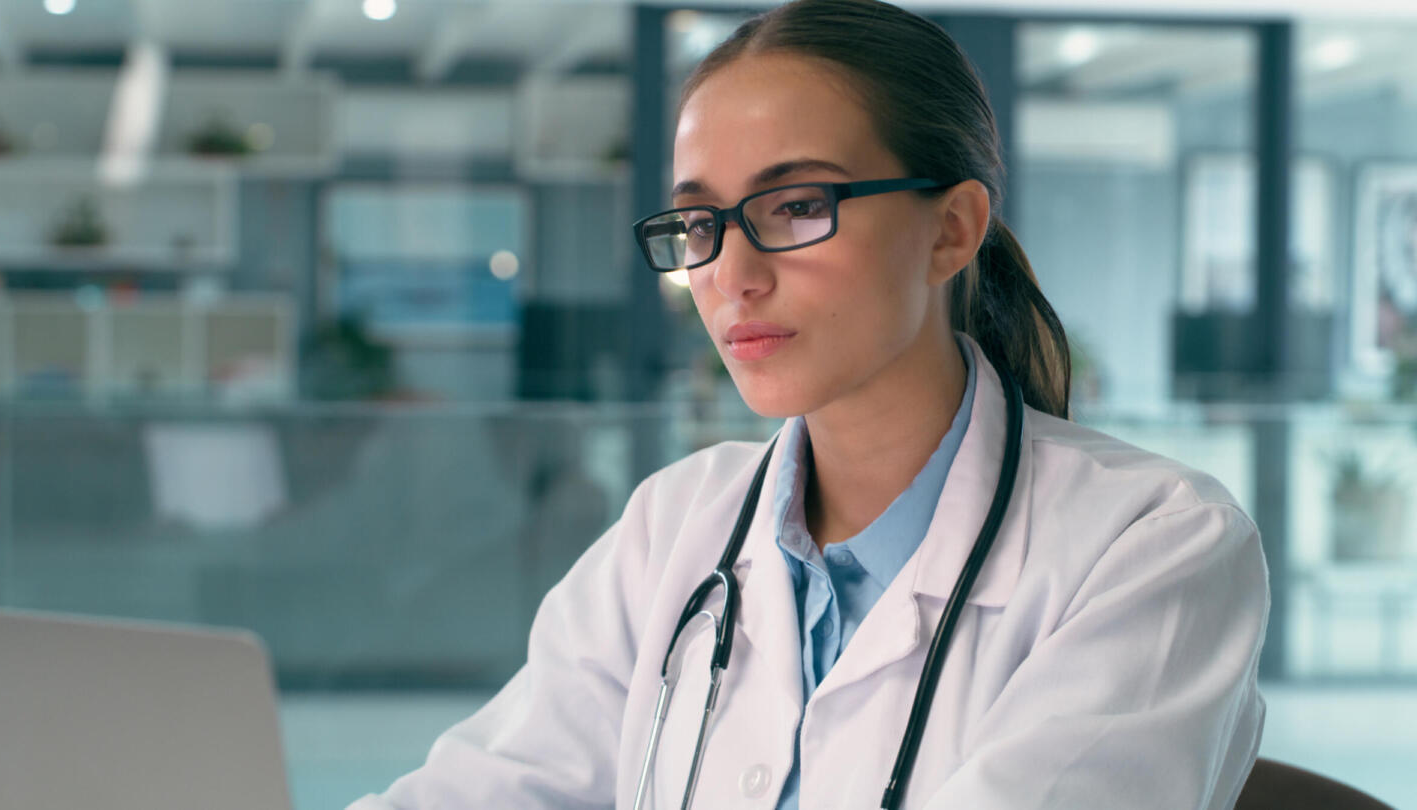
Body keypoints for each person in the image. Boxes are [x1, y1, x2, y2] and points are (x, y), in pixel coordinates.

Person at [349, 0, 1269, 807]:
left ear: (951, 230)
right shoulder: (672, 529)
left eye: (794, 206)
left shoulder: (1152, 546)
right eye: (699, 222)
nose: (731, 276)